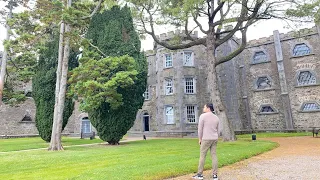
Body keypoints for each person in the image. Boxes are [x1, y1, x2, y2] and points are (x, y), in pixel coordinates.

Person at [193, 103, 220, 180]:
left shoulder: (203, 116)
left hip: (206, 138)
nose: (203, 108)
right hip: (214, 138)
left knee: (202, 155)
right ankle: (215, 175)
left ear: (208, 108)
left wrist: (200, 139)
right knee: (214, 155)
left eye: (204, 107)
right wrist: (216, 136)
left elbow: (200, 129)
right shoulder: (216, 117)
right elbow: (218, 130)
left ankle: (200, 174)